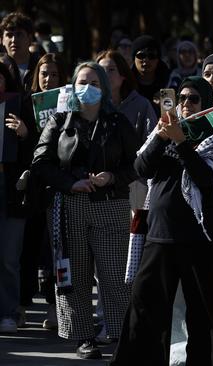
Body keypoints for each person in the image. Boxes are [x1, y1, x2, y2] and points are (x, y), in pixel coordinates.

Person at [110, 76, 213, 366]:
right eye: (182, 98)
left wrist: (183, 143)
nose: (186, 104)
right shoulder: (163, 129)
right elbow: (141, 168)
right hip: (160, 235)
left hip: (200, 238)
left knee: (203, 315)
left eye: (193, 99)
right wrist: (162, 138)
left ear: (207, 103)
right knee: (145, 309)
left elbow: (209, 181)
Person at [30, 61, 139, 358]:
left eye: (93, 83)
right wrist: (70, 183)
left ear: (103, 88)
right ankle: (83, 337)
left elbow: (138, 163)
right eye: (81, 82)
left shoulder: (118, 123)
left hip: (110, 205)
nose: (86, 88)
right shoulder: (60, 120)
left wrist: (113, 176)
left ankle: (119, 333)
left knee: (115, 275)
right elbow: (40, 163)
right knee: (74, 275)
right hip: (69, 206)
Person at [17, 52, 67, 332]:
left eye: (55, 74)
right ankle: (22, 305)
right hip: (33, 188)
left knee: (55, 251)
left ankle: (54, 305)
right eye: (44, 73)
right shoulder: (26, 104)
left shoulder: (69, 105)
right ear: (36, 75)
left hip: (59, 186)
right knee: (28, 249)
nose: (49, 79)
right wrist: (25, 134)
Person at [0, 61, 37, 334]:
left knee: (9, 257)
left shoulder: (20, 108)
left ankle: (9, 312)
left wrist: (25, 134)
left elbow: (40, 151)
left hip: (12, 188)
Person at [96, 50, 158, 211]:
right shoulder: (89, 106)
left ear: (123, 75)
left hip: (133, 183)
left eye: (110, 70)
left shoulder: (142, 105)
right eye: (100, 71)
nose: (105, 75)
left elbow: (152, 144)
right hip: (95, 183)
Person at [131, 35, 170, 116]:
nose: (146, 60)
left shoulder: (170, 83)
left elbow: (172, 117)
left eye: (151, 56)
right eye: (141, 55)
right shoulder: (125, 84)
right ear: (134, 59)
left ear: (158, 59)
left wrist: (164, 106)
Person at [0, 11, 40, 91]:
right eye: (9, 35)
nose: (14, 40)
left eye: (19, 34)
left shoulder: (41, 67)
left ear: (30, 38)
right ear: (1, 40)